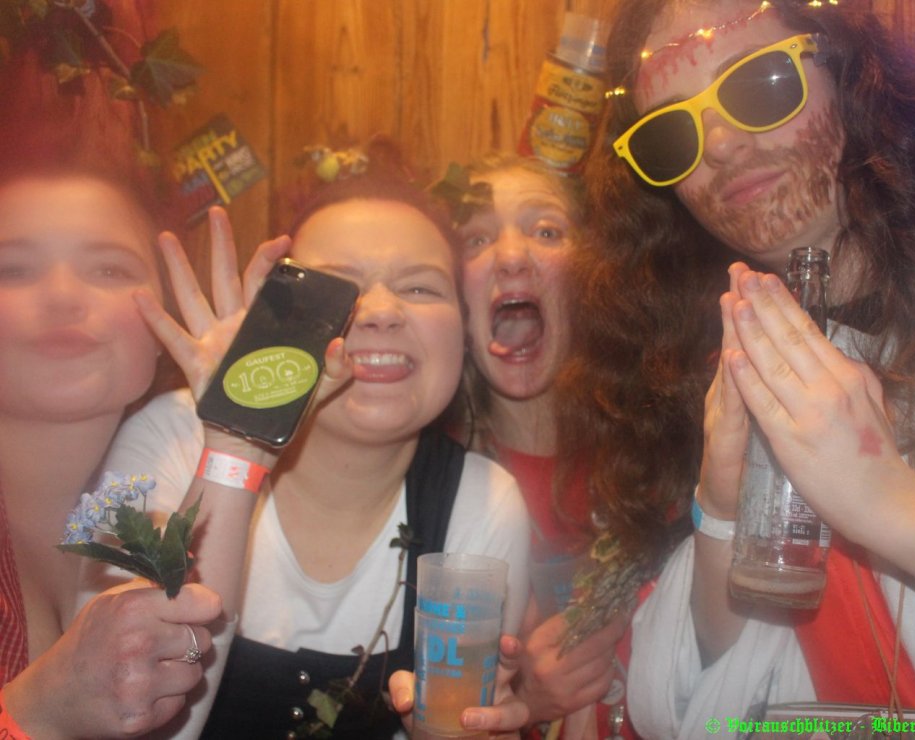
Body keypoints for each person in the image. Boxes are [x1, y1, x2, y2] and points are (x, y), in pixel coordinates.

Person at [559, 0, 915, 735]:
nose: (718, 144)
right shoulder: (737, 360)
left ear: (852, 73)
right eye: (670, 135)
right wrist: (720, 512)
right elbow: (684, 712)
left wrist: (890, 503)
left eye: (758, 85)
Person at [85, 154, 532, 738]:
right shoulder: (170, 437)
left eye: (420, 286)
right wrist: (238, 444)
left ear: (463, 334)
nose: (380, 312)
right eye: (337, 287)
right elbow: (128, 720)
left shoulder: (484, 502)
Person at [0, 160, 223, 738]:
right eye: (12, 269)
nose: (62, 295)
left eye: (107, 268)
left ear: (168, 324)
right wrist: (39, 709)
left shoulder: (181, 487)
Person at [450, 153, 636, 738]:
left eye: (547, 231)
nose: (510, 256)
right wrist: (523, 698)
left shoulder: (660, 458)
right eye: (477, 238)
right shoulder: (433, 490)